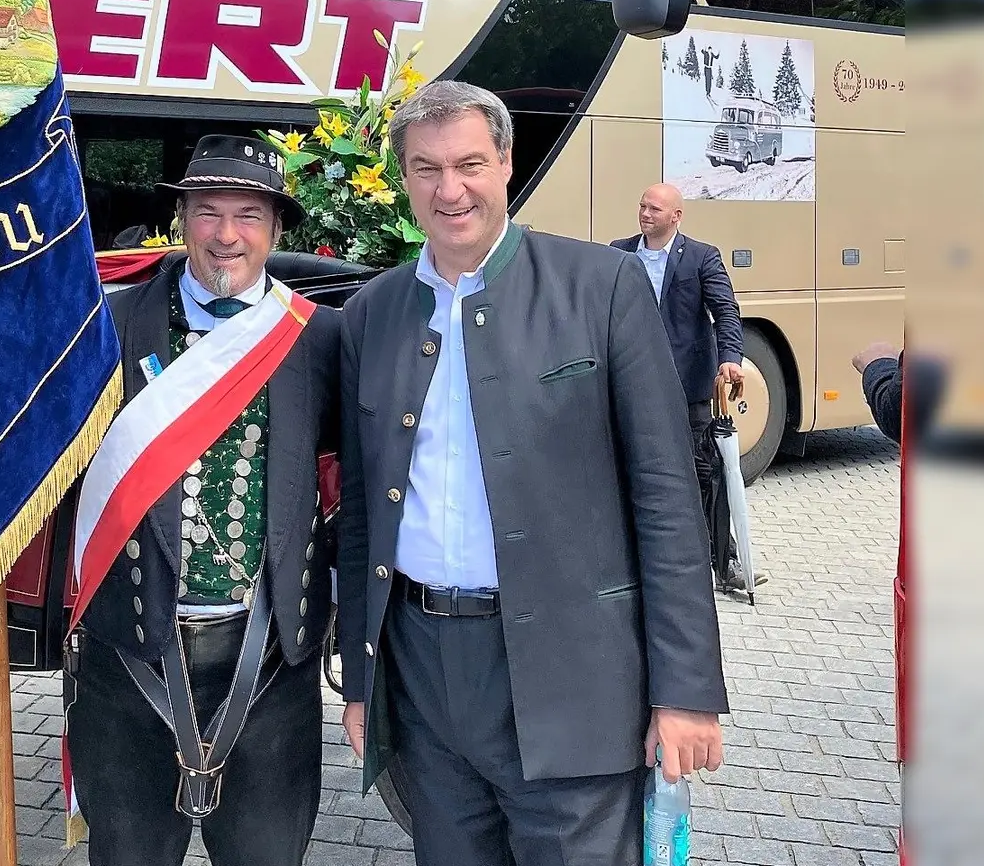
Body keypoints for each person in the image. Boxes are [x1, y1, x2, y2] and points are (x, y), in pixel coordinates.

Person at [335, 81, 728, 866]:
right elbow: (360, 511)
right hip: (423, 675)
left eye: (470, 164)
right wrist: (358, 682)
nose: (450, 190)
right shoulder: (372, 313)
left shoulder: (602, 288)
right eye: (426, 168)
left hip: (572, 677)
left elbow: (666, 498)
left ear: (507, 162)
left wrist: (685, 690)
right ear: (403, 178)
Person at [63, 135, 341, 866]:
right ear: (181, 219)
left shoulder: (319, 339)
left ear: (275, 229)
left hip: (271, 659)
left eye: (249, 215)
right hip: (129, 654)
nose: (226, 235)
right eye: (208, 212)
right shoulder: (106, 325)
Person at [611, 183, 756, 589]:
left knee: (702, 474)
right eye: (642, 206)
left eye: (654, 209)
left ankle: (723, 562)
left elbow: (725, 311)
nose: (645, 213)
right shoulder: (619, 253)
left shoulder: (700, 257)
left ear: (676, 216)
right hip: (633, 385)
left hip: (687, 387)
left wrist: (731, 357)